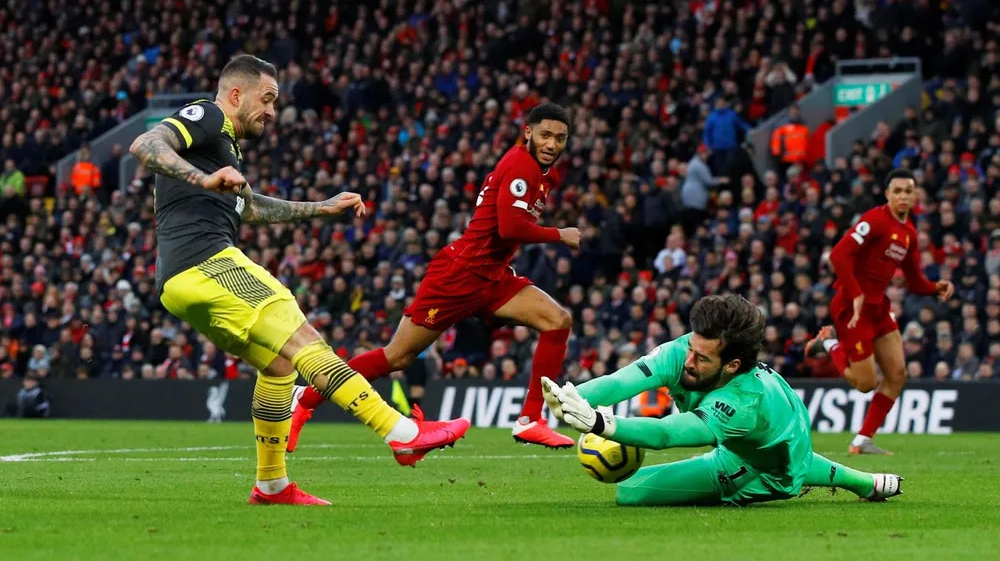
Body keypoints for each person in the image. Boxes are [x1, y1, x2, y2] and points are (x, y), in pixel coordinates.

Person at [129, 54, 470, 506]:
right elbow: (145, 144)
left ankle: (271, 485)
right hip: (205, 261)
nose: (272, 111)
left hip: (179, 280)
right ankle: (402, 431)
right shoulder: (208, 115)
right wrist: (204, 177)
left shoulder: (227, 145)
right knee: (303, 337)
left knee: (278, 366)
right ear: (236, 94)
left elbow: (250, 208)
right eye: (266, 100)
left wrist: (320, 209)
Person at [288, 103, 581, 451]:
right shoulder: (521, 166)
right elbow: (510, 226)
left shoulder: (541, 172)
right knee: (397, 357)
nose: (552, 144)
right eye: (545, 135)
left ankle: (530, 419)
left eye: (560, 138)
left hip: (491, 275)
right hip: (460, 275)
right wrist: (558, 234)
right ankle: (305, 399)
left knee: (557, 320)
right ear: (528, 132)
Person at [541, 294, 903, 507]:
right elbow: (623, 381)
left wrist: (602, 424)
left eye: (701, 359)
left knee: (629, 492)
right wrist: (570, 397)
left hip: (760, 467)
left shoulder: (741, 402)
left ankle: (837, 481)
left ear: (732, 365)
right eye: (691, 348)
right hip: (783, 434)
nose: (687, 361)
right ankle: (865, 482)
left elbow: (668, 435)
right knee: (785, 453)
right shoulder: (693, 347)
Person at [805, 168, 953, 455]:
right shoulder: (874, 220)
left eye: (908, 191)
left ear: (914, 196)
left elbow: (914, 281)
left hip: (878, 307)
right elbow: (838, 255)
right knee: (865, 383)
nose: (903, 196)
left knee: (897, 374)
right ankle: (829, 343)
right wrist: (857, 292)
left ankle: (862, 441)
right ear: (887, 194)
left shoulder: (909, 232)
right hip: (851, 306)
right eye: (897, 191)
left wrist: (936, 287)